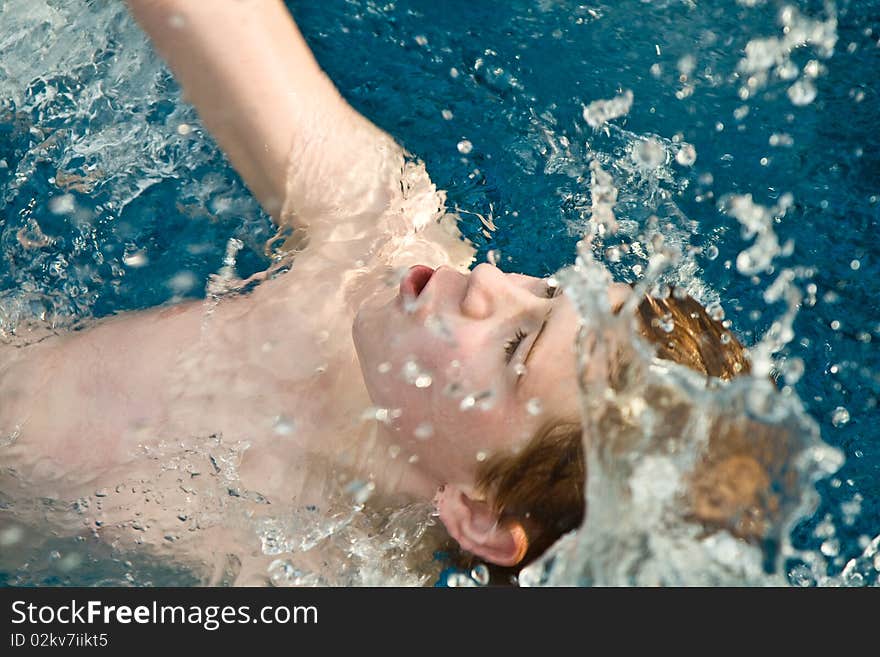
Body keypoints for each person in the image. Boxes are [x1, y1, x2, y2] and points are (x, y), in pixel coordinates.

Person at [0, 0, 769, 585]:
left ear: (476, 512)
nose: (490, 282)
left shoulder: (307, 579)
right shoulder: (377, 240)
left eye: (514, 347)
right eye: (549, 290)